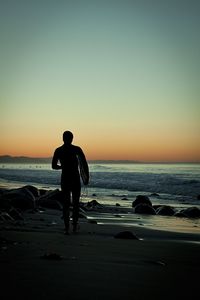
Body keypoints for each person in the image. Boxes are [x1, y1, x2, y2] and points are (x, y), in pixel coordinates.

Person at [52, 131, 89, 234]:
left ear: (63, 138)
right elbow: (84, 164)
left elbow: (53, 166)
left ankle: (67, 227)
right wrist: (86, 177)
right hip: (75, 178)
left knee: (66, 203)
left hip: (65, 178)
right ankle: (74, 226)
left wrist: (62, 166)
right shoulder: (76, 149)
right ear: (72, 138)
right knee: (76, 203)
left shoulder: (58, 150)